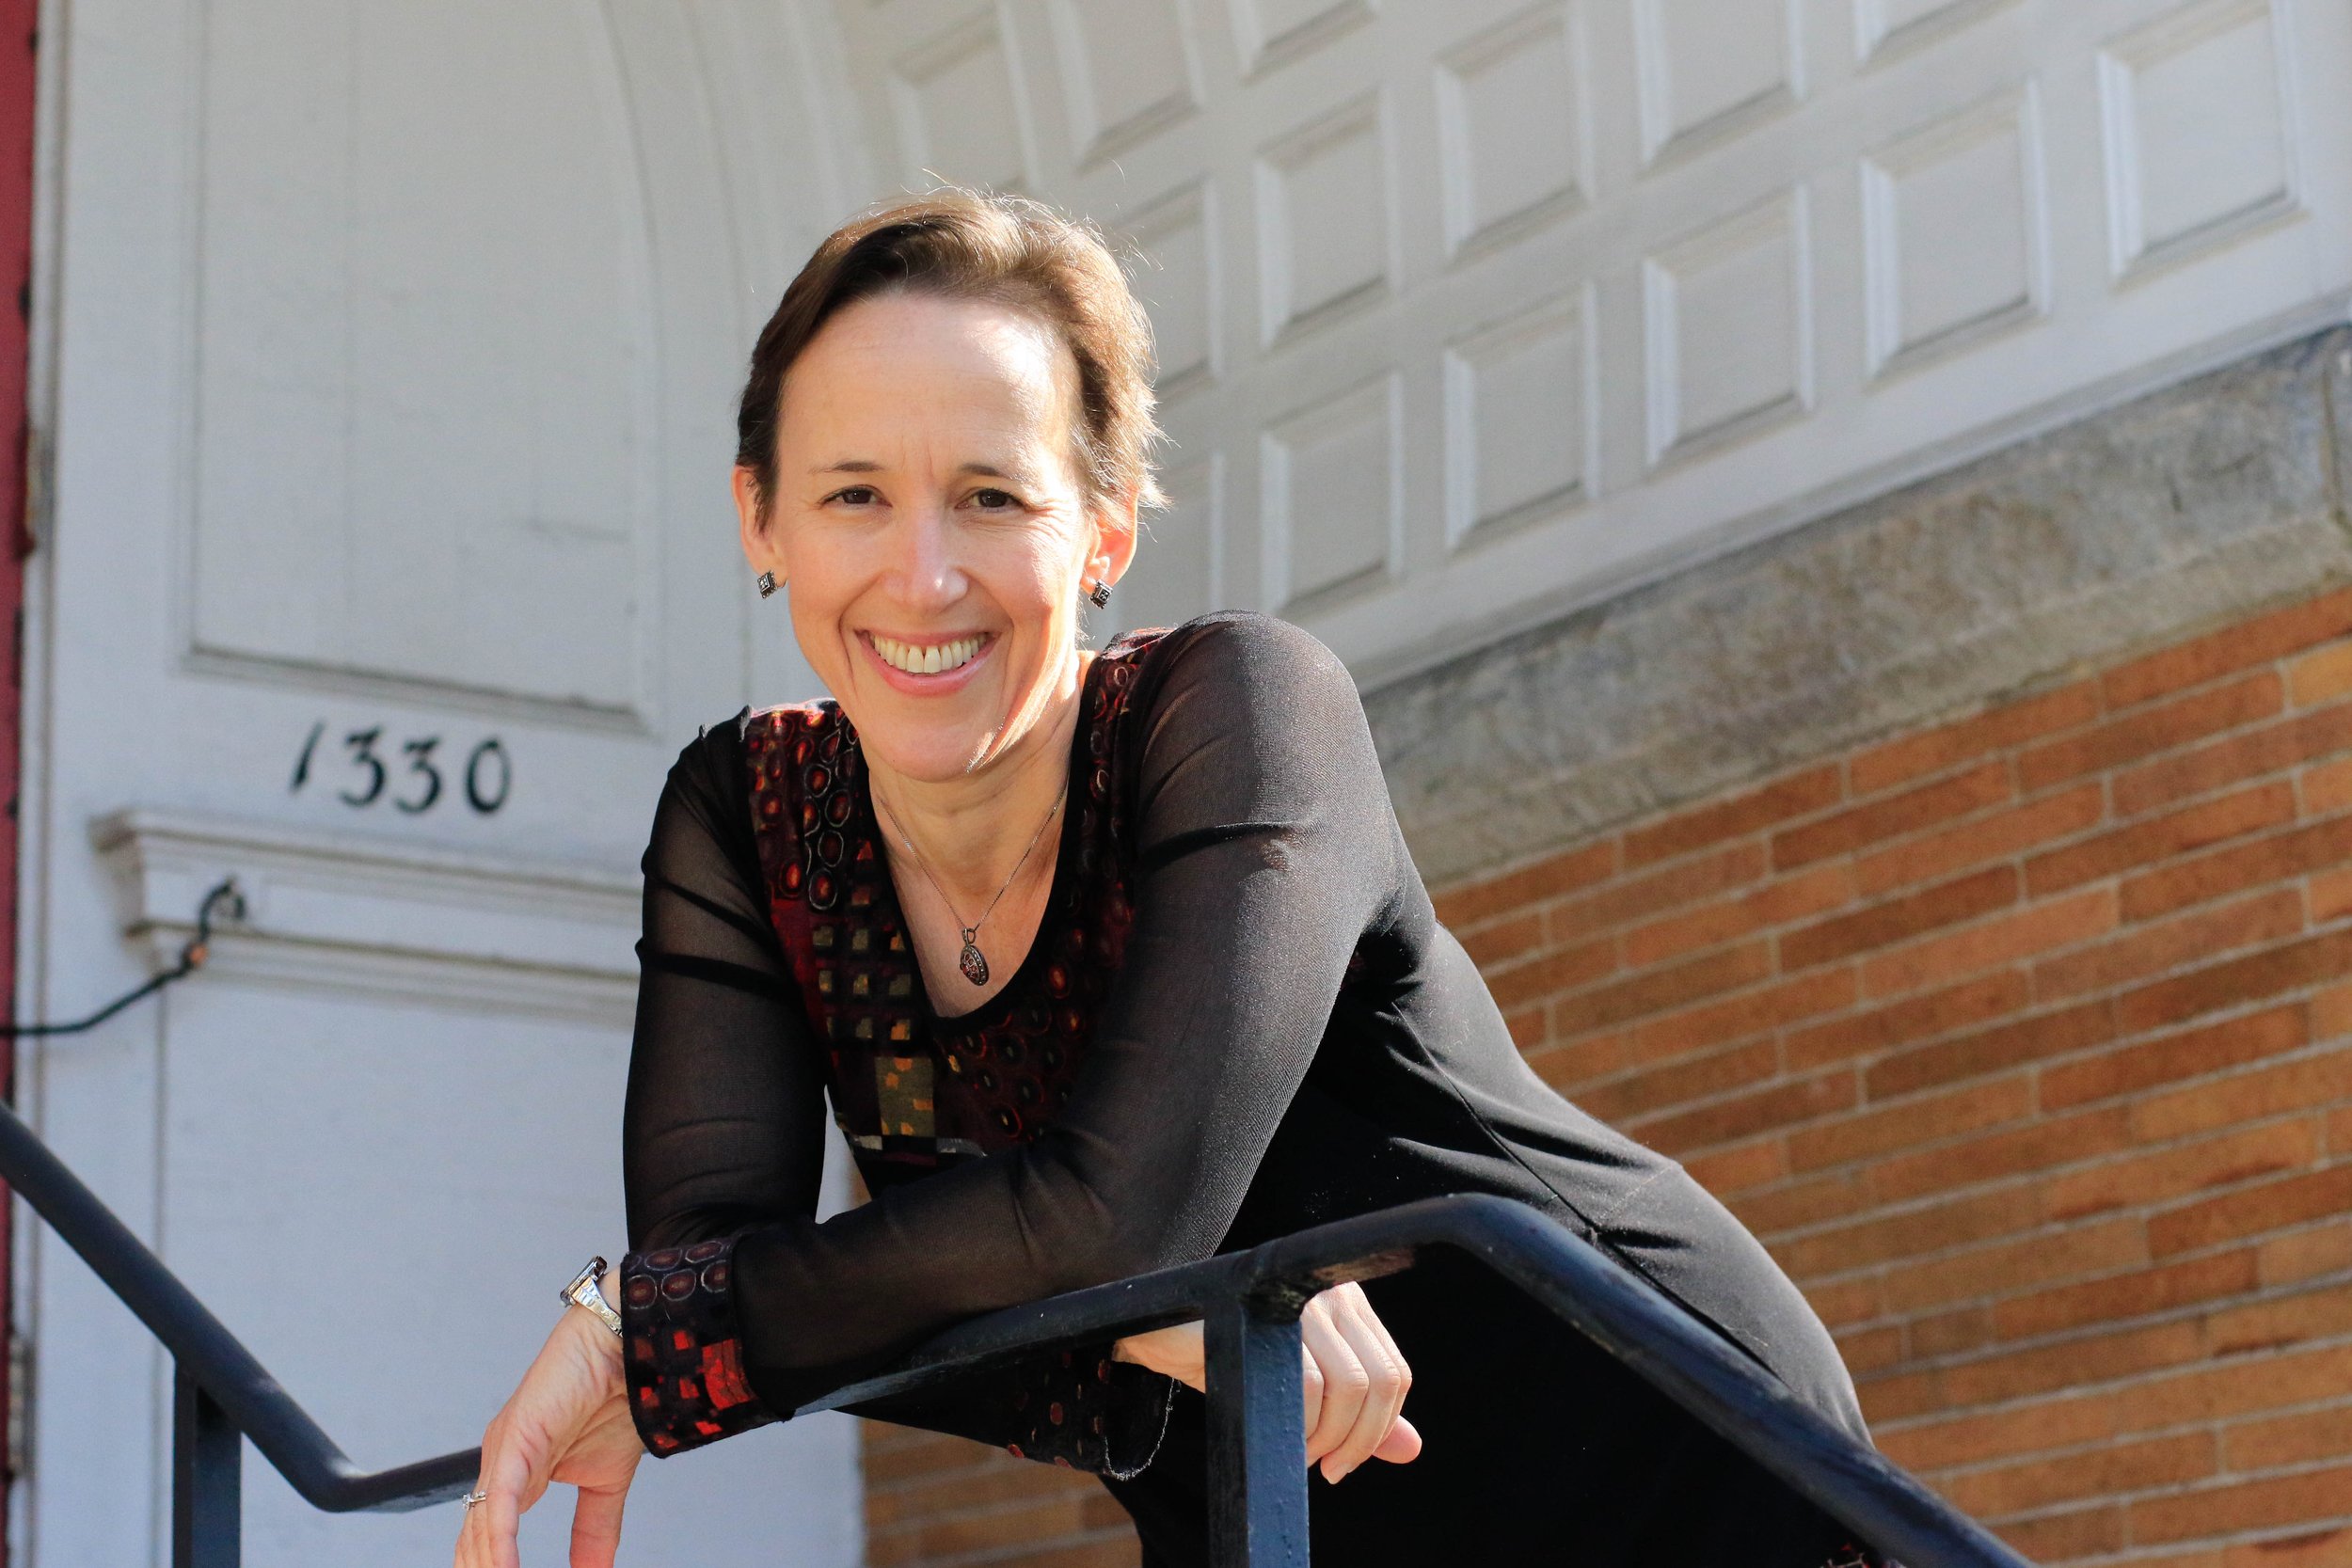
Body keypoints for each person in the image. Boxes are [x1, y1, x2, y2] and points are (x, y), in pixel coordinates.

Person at [454, 190, 1883, 1568]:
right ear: (761, 521)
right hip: (1270, 1501)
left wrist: (667, 1325)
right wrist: (1152, 1315)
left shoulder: (1243, 712)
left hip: (1657, 1447)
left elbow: (1059, 1230)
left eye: (992, 494)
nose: (924, 572)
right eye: (854, 494)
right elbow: (725, 1280)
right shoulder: (743, 813)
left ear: (1107, 529)